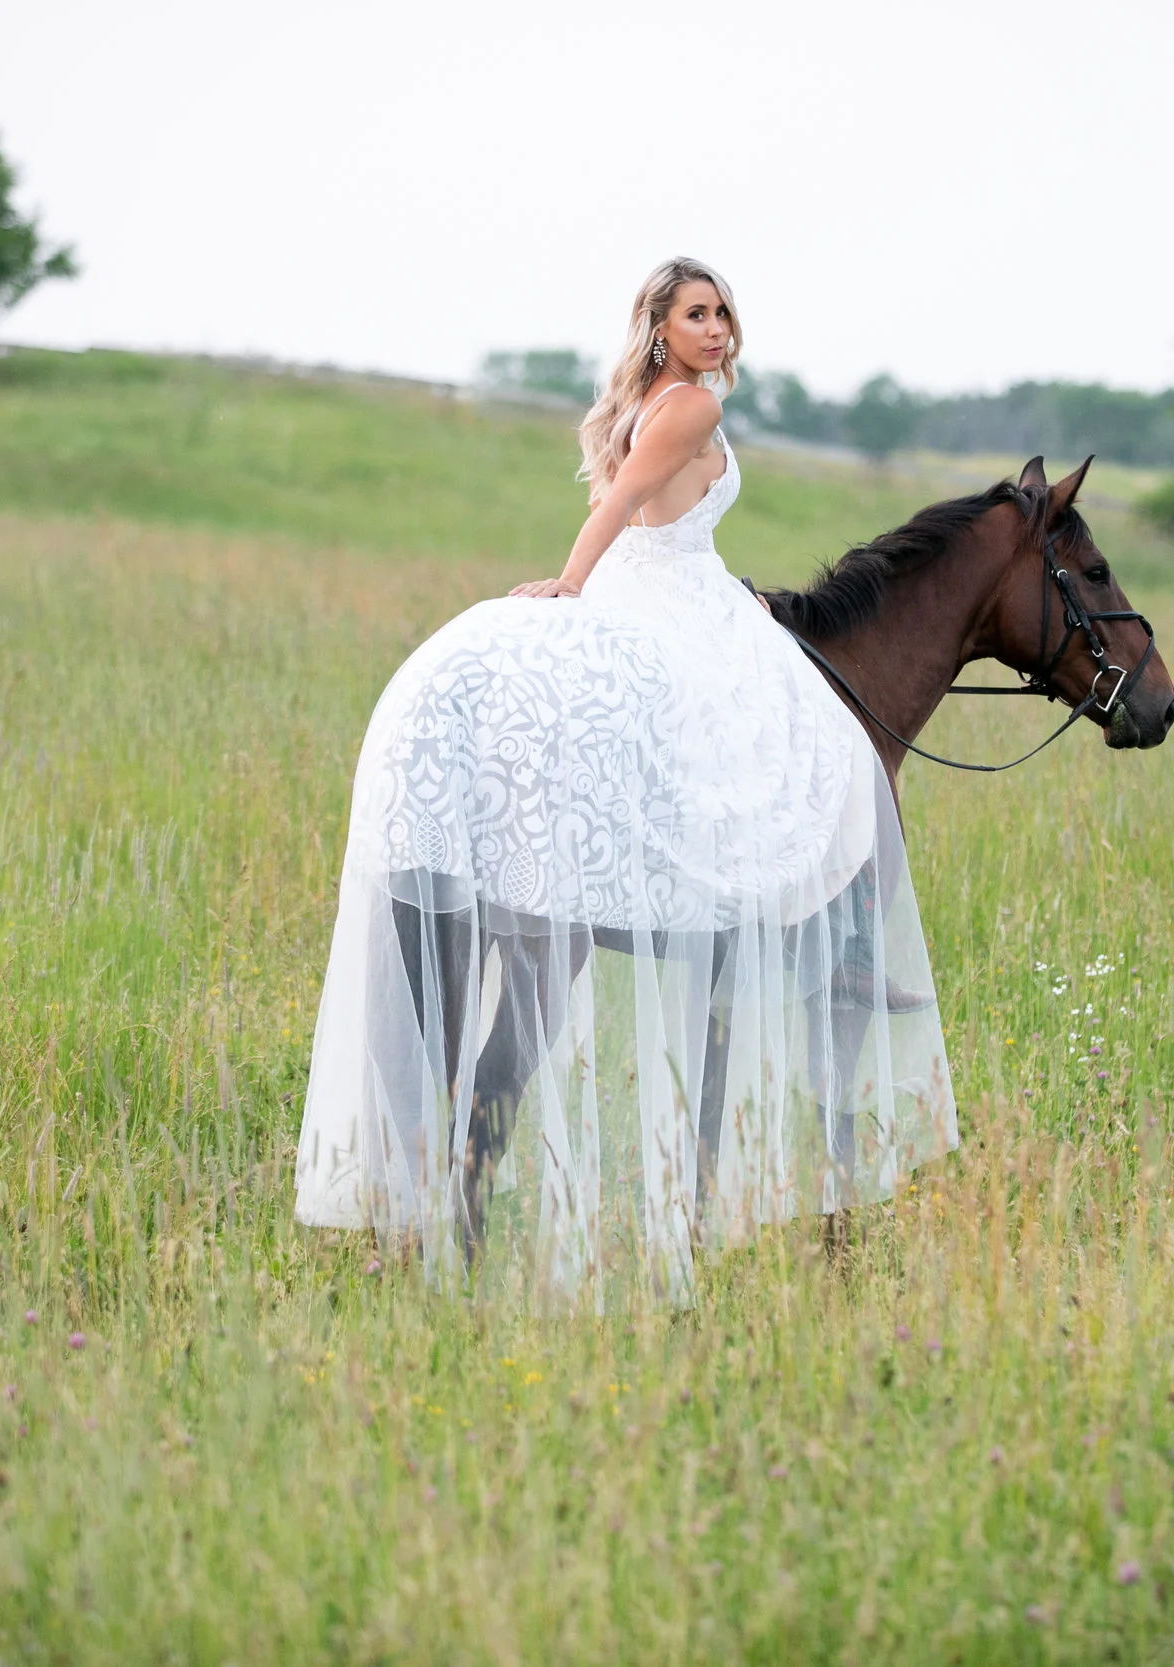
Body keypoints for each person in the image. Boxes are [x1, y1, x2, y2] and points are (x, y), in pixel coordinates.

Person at [294, 258, 955, 1306]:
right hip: (664, 602)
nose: (718, 329)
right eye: (697, 314)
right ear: (659, 329)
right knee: (823, 750)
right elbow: (631, 502)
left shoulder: (652, 401)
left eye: (724, 311)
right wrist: (568, 580)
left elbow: (647, 505)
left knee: (798, 725)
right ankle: (850, 943)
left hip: (687, 585)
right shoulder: (686, 404)